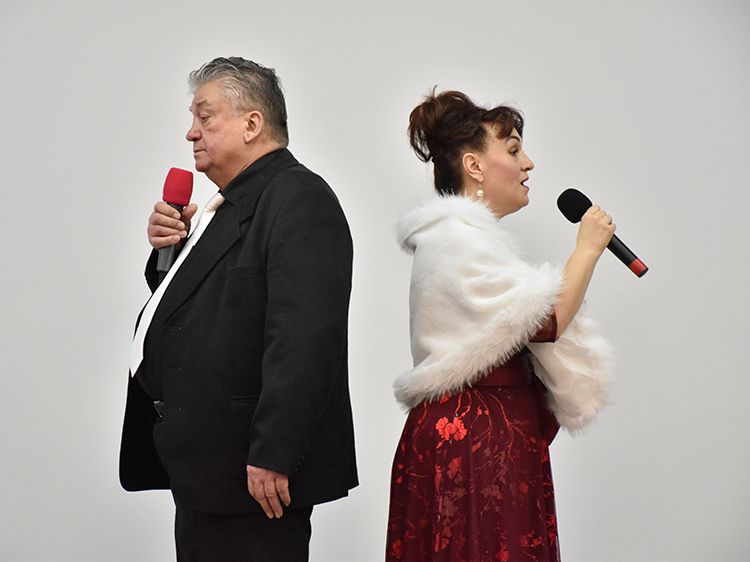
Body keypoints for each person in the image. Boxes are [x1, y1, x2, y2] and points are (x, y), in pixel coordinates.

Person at [119, 57, 357, 562]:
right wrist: (170, 252)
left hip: (253, 474)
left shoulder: (298, 198)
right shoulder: (228, 206)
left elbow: (305, 339)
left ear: (252, 124)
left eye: (205, 117)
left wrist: (275, 452)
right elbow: (193, 309)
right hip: (207, 470)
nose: (191, 132)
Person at [386, 90, 615, 562]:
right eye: (512, 150)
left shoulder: (462, 239)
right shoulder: (455, 238)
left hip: (486, 431)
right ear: (474, 166)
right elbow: (547, 322)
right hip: (472, 438)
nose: (528, 164)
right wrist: (588, 248)